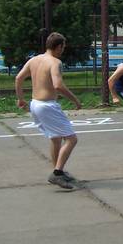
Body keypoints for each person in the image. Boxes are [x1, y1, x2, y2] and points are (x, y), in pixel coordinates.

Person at [15, 32, 82, 190]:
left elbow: (18, 78)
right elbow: (58, 85)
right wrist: (75, 99)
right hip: (47, 105)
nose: (63, 50)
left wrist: (21, 99)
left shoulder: (34, 60)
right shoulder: (55, 62)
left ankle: (58, 170)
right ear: (58, 47)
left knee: (55, 138)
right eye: (63, 47)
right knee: (71, 139)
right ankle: (57, 173)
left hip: (35, 104)